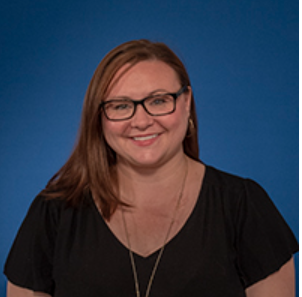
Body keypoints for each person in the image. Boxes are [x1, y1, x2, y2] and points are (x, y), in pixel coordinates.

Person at [4, 39, 298, 297]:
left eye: (158, 101)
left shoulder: (243, 206)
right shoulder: (54, 213)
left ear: (186, 103)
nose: (141, 121)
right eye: (120, 105)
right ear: (100, 117)